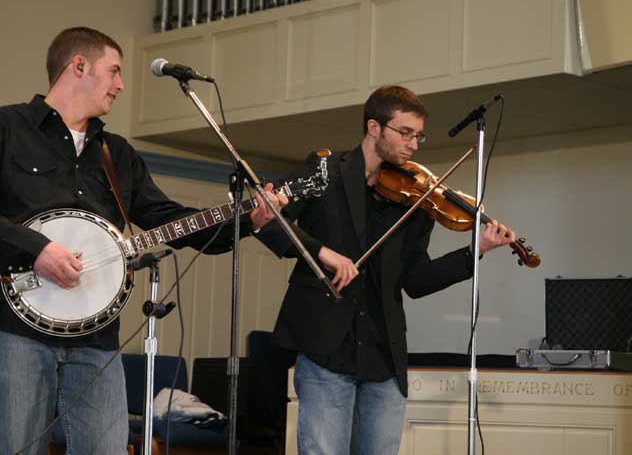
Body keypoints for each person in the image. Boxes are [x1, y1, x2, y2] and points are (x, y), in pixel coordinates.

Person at [0, 26, 287, 455]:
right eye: (113, 71)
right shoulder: (8, 127)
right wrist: (36, 248)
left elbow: (170, 219)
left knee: (108, 448)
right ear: (78, 66)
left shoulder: (117, 154)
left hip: (97, 339)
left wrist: (247, 218)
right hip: (16, 329)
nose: (119, 84)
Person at [255, 85, 515, 455]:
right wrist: (324, 252)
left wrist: (477, 251)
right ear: (374, 128)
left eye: (418, 135)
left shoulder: (416, 199)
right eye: (405, 133)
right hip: (326, 346)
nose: (414, 145)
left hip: (383, 356)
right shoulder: (326, 170)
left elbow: (416, 281)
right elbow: (270, 224)